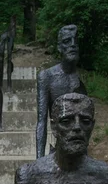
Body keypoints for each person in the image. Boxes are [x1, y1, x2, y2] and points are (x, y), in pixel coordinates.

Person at [36, 25, 87, 158]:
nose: (72, 45)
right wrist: (39, 160)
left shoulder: (82, 79)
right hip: (59, 147)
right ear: (59, 47)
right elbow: (41, 121)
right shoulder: (47, 76)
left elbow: (85, 122)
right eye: (67, 42)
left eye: (75, 41)